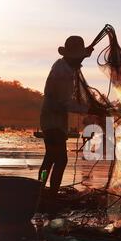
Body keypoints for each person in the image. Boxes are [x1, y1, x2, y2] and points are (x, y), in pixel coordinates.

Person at [38, 36, 95, 200]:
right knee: (60, 160)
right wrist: (89, 109)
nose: (80, 61)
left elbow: (78, 59)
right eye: (78, 57)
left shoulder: (64, 64)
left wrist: (84, 54)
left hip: (54, 119)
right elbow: (65, 104)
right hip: (53, 119)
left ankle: (41, 192)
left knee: (50, 157)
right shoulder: (62, 73)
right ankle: (50, 196)